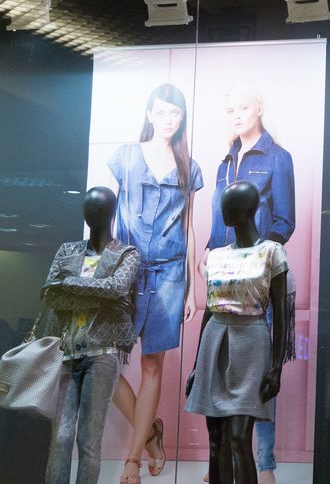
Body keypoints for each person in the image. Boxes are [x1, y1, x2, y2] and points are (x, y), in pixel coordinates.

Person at [106, 84, 204, 484]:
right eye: (161, 112)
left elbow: (188, 227)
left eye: (174, 114)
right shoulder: (126, 156)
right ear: (149, 114)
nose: (167, 120)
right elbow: (107, 215)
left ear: (182, 119)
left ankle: (132, 460)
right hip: (126, 272)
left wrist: (192, 289)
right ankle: (150, 435)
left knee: (151, 366)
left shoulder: (188, 166)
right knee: (105, 361)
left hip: (169, 276)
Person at [203, 82, 295, 484]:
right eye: (230, 110)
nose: (236, 115)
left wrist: (256, 259)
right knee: (224, 374)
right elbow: (217, 221)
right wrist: (211, 253)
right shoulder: (225, 162)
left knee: (258, 375)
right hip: (222, 277)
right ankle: (226, 465)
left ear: (259, 108)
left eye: (243, 107)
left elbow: (285, 220)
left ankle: (264, 463)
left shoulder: (277, 157)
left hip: (258, 279)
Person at [35, 187, 140, 484]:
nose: (93, 212)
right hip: (66, 350)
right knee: (60, 437)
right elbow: (50, 294)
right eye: (89, 206)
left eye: (100, 207)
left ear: (112, 212)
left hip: (102, 353)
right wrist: (100, 295)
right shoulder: (67, 250)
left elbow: (117, 288)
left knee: (89, 440)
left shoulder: (127, 254)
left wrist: (69, 283)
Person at [187, 181, 289, 484]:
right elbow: (210, 308)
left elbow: (281, 315)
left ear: (248, 210)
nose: (224, 211)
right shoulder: (217, 256)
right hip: (214, 341)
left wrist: (276, 368)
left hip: (252, 342)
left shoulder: (271, 252)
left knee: (238, 437)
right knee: (216, 438)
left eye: (230, 205)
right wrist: (196, 366)